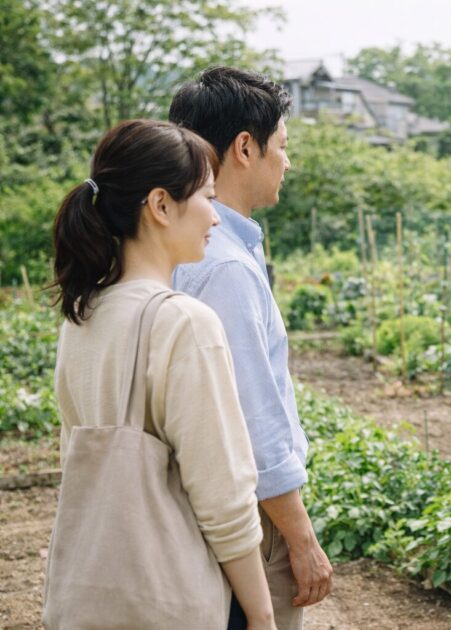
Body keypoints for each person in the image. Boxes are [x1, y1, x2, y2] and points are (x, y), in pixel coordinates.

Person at [50, 119, 275, 628]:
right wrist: (262, 616)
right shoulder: (183, 322)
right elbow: (224, 500)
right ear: (160, 205)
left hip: (96, 594)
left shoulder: (84, 316)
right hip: (171, 598)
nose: (214, 217)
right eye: (206, 197)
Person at [169, 66, 332, 630]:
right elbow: (252, 419)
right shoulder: (225, 269)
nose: (287, 161)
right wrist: (301, 537)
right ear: (245, 147)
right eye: (281, 147)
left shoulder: (183, 251)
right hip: (252, 520)